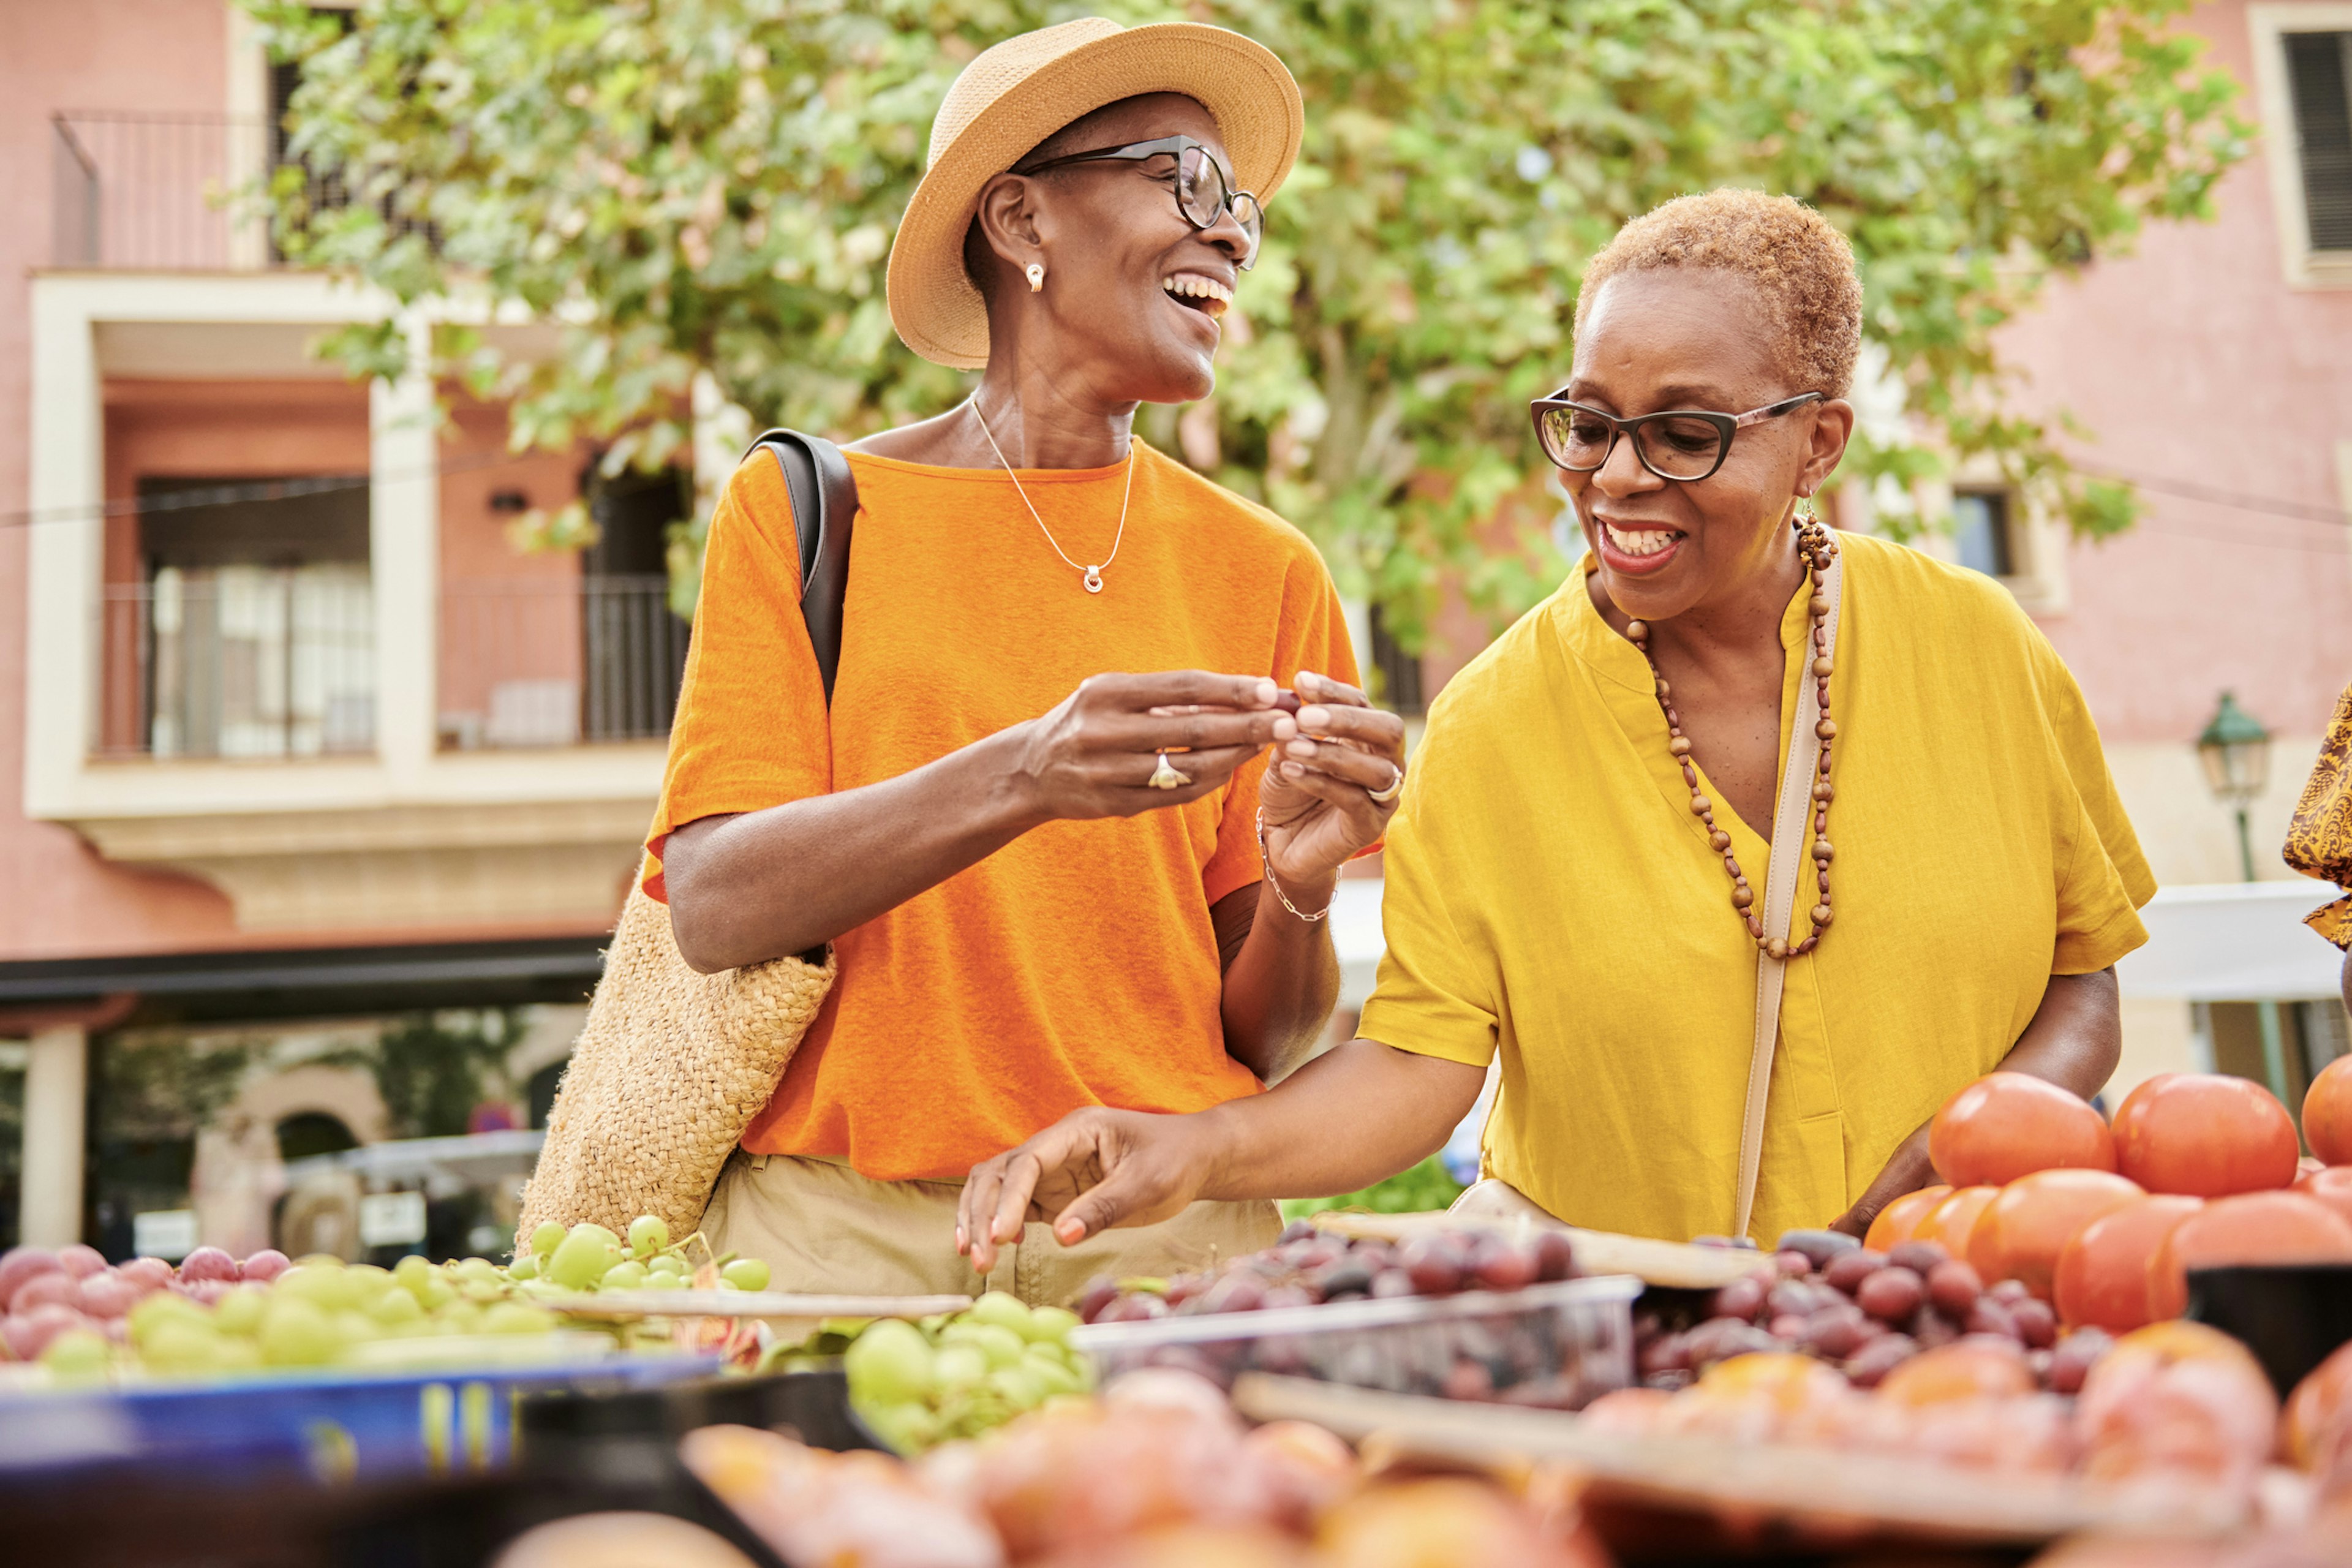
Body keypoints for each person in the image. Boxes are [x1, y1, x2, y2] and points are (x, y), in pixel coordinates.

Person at [957, 190, 2156, 1260]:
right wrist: (1193, 1149)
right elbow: (1419, 1061)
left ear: (1819, 444)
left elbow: (2082, 972)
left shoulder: (1979, 644)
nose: (1619, 476)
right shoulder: (1489, 725)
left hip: (1983, 1300)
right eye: (1588, 424)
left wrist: (1973, 1145)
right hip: (1645, 1354)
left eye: (1686, 433)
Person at [647, 17, 1406, 1305]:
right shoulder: (805, 512)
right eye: (1187, 179)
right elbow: (716, 904)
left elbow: (1259, 1045)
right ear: (1020, 221)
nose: (1230, 230)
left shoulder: (1267, 567)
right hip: (846, 1250)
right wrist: (1030, 772)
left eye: (1244, 209)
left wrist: (1294, 889)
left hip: (1163, 1245)